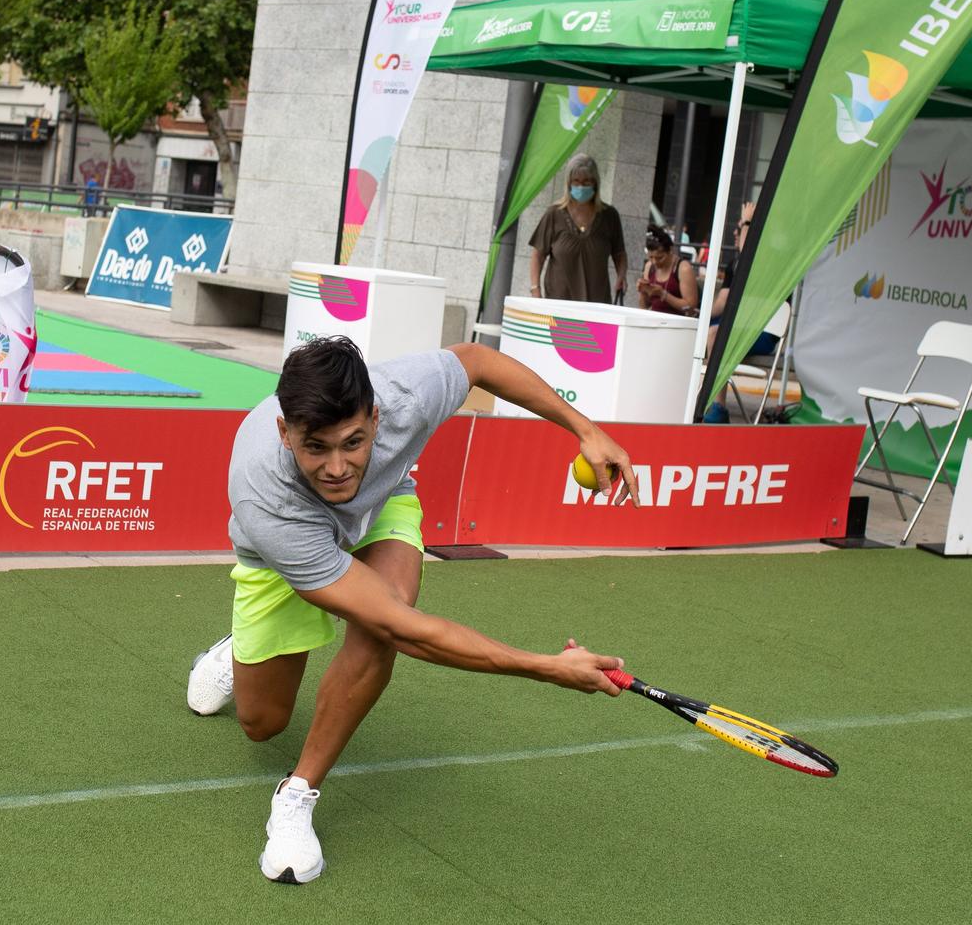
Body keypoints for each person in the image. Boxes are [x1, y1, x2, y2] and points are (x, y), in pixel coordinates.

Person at [185, 336, 640, 884]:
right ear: (285, 433)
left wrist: (584, 428)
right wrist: (547, 667)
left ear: (377, 417)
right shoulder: (265, 497)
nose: (337, 467)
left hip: (380, 506)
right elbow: (413, 632)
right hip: (286, 543)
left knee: (382, 624)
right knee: (263, 724)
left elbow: (478, 361)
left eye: (354, 442)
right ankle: (238, 650)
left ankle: (298, 793)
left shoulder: (406, 394)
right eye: (316, 448)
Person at [528, 152, 628, 303]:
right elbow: (538, 255)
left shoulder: (610, 216)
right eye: (576, 181)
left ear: (595, 183)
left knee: (596, 328)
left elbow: (619, 253)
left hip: (597, 305)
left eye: (587, 182)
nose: (581, 186)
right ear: (568, 183)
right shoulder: (554, 214)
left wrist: (621, 276)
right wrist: (535, 290)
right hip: (558, 304)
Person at [636, 224, 699, 315]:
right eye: (651, 257)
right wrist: (643, 291)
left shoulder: (683, 269)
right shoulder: (649, 267)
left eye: (660, 258)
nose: (654, 262)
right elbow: (644, 306)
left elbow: (690, 307)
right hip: (654, 320)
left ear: (670, 251)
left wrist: (663, 294)